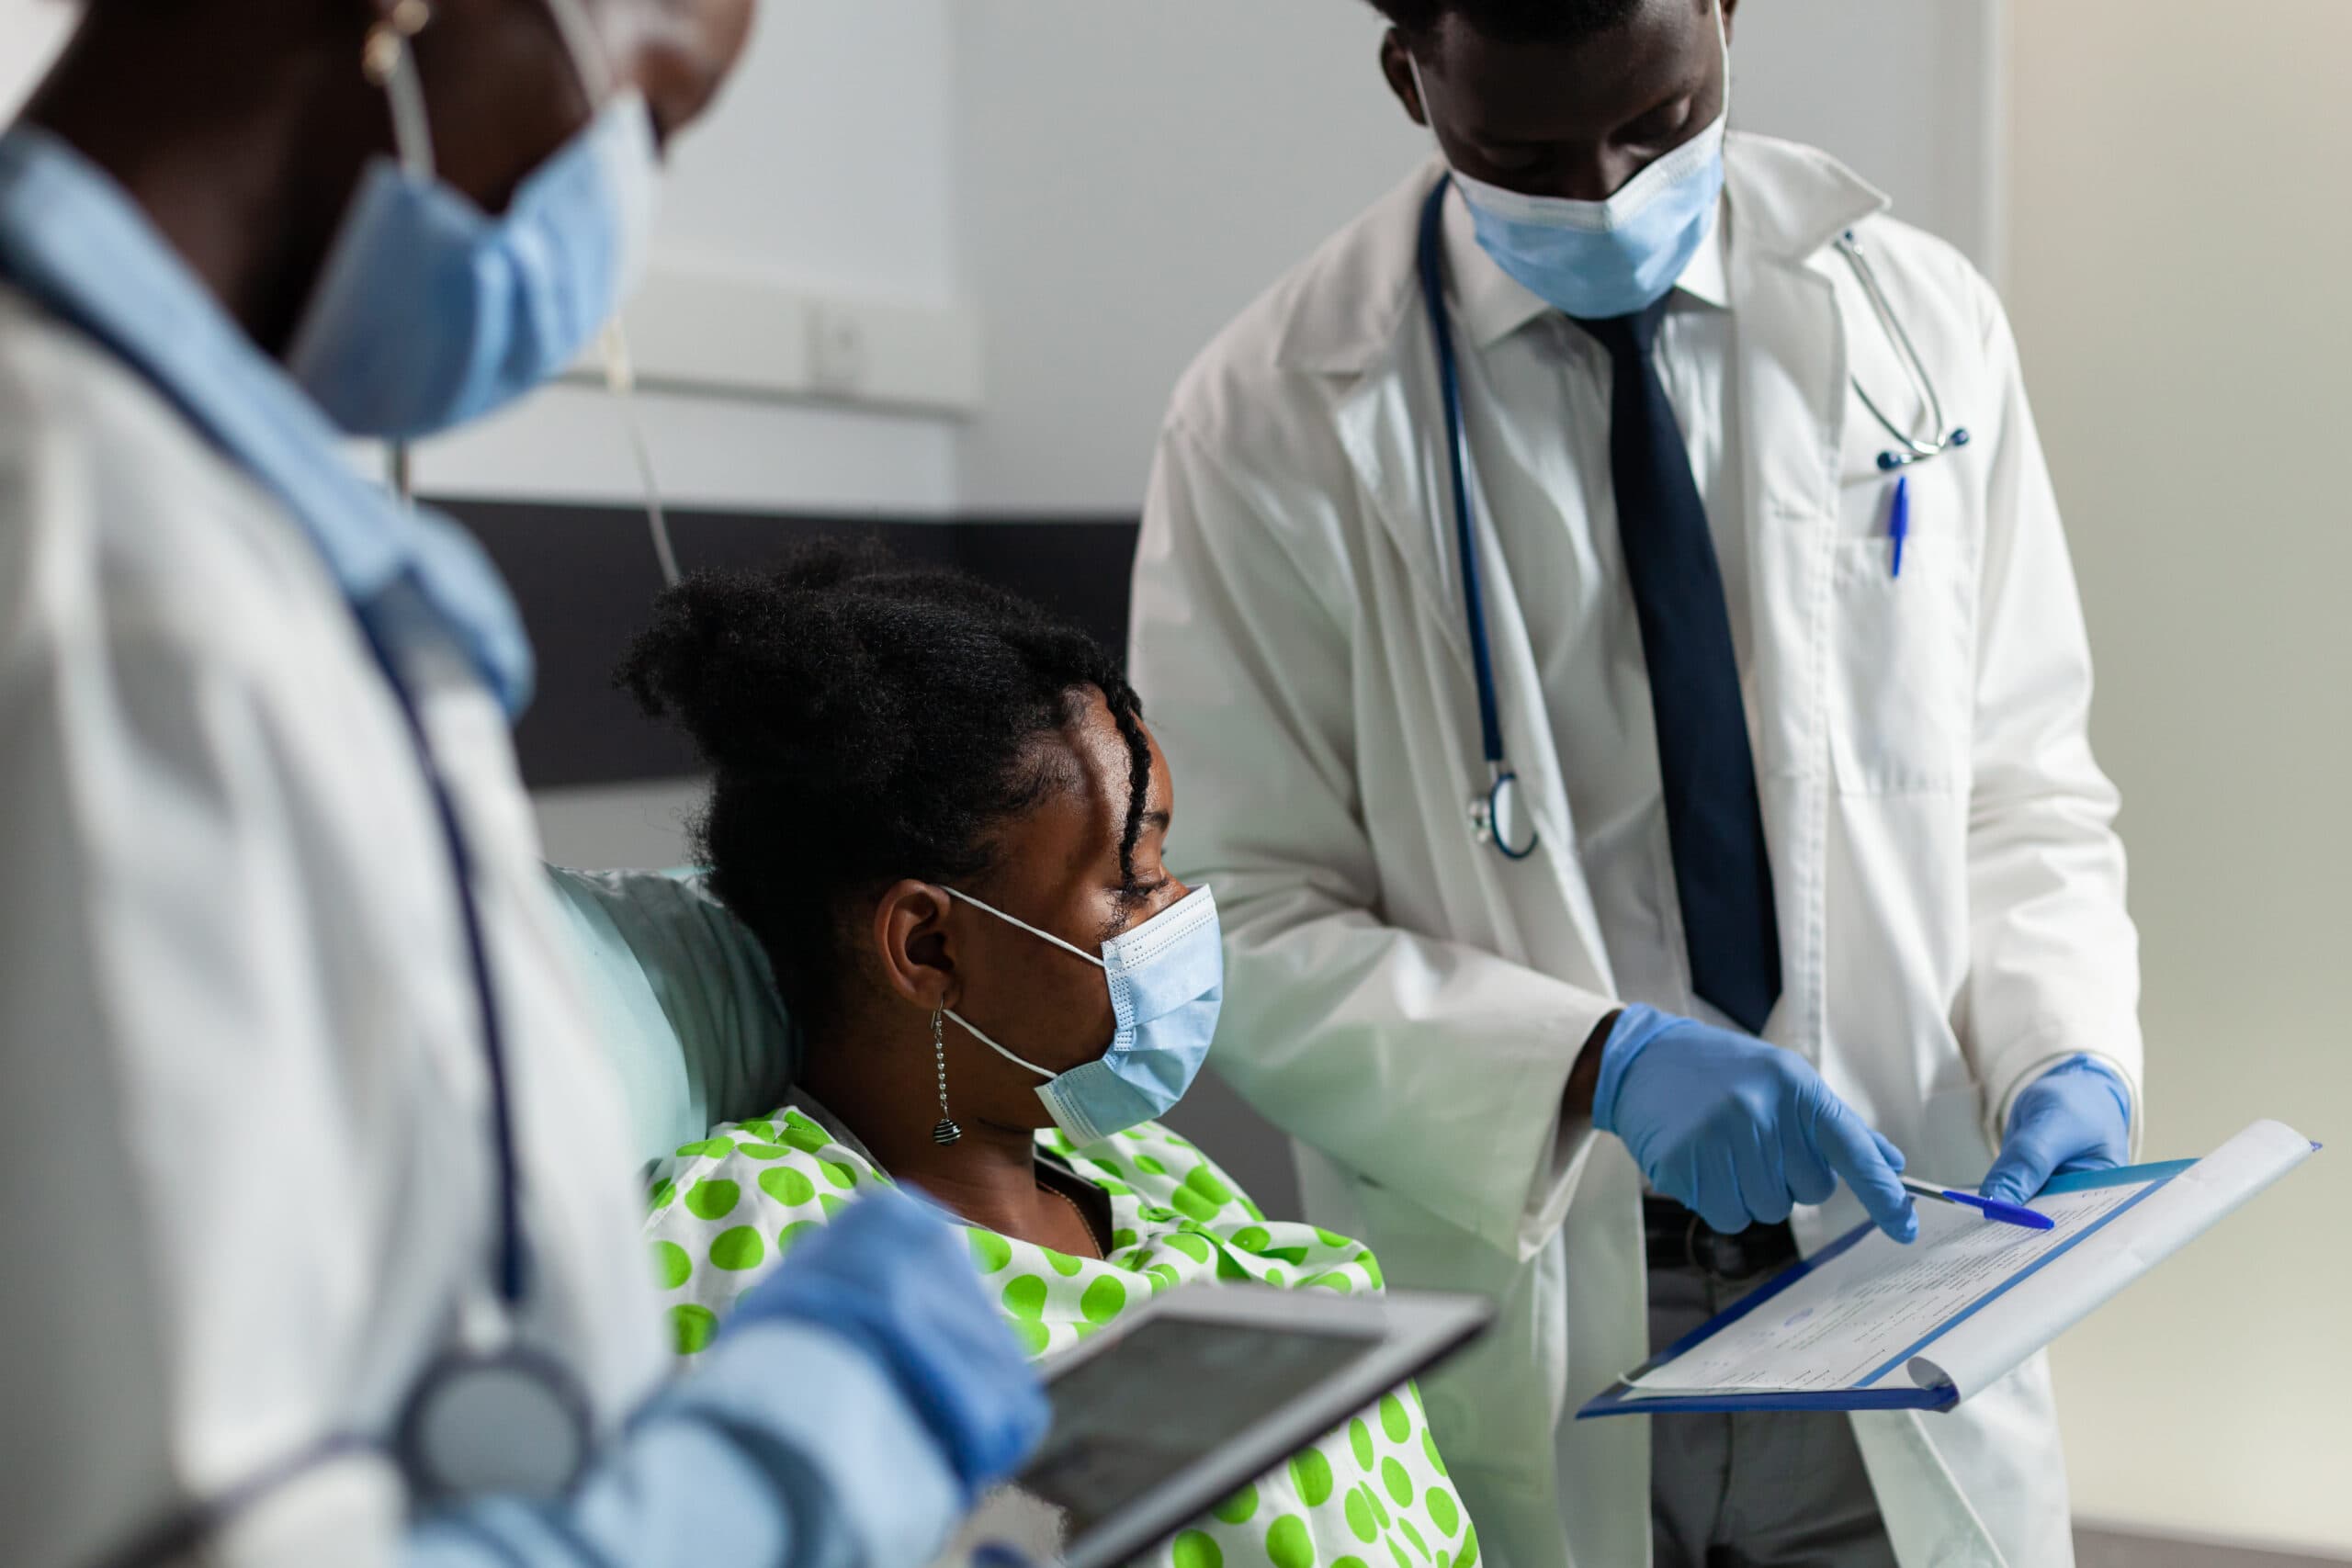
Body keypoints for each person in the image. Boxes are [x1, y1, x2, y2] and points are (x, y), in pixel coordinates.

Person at [0, 3, 1044, 1565]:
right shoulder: (93, 563)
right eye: (658, 111)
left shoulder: (220, 549)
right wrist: (785, 1465)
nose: (628, 199)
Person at [1125, 1, 2143, 1564]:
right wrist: (1596, 1061)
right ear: (1410, 75)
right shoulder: (1269, 417)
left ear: (1732, 15)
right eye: (1519, 152)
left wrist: (2062, 1043)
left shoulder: (1922, 325)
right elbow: (1234, 916)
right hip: (1550, 1292)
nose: (1601, 189)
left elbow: (2017, 783)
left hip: (1896, 1251)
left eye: (1657, 121)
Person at [614, 543, 1484, 1568]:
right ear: (929, 946)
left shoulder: (1148, 1172)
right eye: (1131, 877)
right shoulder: (756, 1231)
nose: (1178, 915)